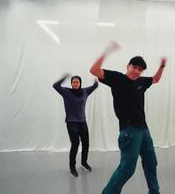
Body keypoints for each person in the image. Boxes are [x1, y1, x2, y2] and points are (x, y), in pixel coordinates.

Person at [90, 41, 166, 194]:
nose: (136, 71)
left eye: (140, 69)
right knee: (127, 169)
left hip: (144, 130)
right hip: (129, 131)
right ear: (128, 66)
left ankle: (154, 191)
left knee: (151, 163)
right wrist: (106, 52)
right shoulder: (117, 79)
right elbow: (94, 70)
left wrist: (162, 66)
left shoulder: (141, 82)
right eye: (134, 67)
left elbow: (156, 79)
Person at [53, 74, 98, 177]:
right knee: (75, 144)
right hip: (71, 122)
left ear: (80, 83)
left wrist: (96, 80)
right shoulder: (66, 92)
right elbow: (55, 85)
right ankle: (72, 167)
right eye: (73, 82)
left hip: (82, 122)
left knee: (86, 143)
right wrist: (64, 77)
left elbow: (94, 86)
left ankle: (84, 162)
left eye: (77, 82)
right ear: (71, 83)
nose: (75, 83)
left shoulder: (85, 91)